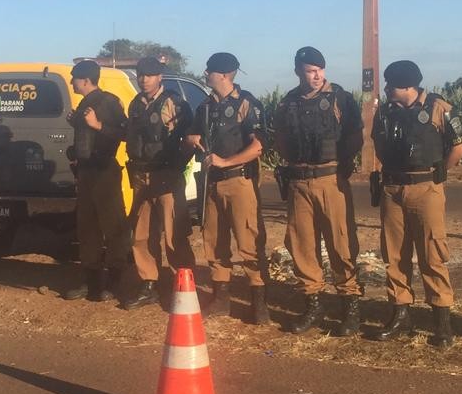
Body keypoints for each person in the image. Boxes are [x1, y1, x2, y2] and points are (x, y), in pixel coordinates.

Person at [370, 60, 462, 347]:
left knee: (432, 253)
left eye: (391, 85)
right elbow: (378, 142)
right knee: (394, 253)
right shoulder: (386, 112)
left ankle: (441, 321)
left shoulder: (439, 108)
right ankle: (400, 313)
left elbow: (459, 147)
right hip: (392, 188)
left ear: (407, 86)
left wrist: (439, 175)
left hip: (426, 187)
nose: (386, 89)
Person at [273, 46, 363, 334]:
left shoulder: (340, 98)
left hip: (330, 180)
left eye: (320, 70)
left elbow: (354, 137)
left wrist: (340, 164)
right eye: (311, 70)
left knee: (341, 243)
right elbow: (281, 140)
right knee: (301, 244)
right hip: (299, 181)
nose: (317, 75)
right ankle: (312, 302)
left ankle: (349, 305)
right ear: (298, 71)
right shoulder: (288, 103)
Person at [186, 52, 268, 323]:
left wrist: (226, 161)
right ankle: (221, 298)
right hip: (212, 183)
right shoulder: (205, 107)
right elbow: (192, 135)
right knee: (215, 240)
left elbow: (258, 147)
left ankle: (258, 301)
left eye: (209, 70)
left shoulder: (247, 104)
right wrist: (192, 138)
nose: (205, 74)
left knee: (249, 240)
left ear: (223, 74)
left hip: (239, 180)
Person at [121, 56, 196, 310]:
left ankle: (184, 287)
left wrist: (176, 167)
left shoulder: (174, 103)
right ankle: (149, 284)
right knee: (141, 235)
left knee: (174, 234)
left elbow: (189, 140)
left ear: (160, 77)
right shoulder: (136, 104)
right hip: (142, 176)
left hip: (166, 176)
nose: (144, 79)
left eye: (150, 75)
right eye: (141, 75)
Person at [62, 60, 130, 302]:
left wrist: (97, 125)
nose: (72, 82)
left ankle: (114, 283)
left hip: (105, 171)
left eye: (74, 79)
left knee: (113, 228)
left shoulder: (109, 102)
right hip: (87, 172)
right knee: (87, 228)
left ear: (86, 80)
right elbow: (84, 141)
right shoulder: (84, 104)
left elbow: (125, 133)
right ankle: (90, 283)